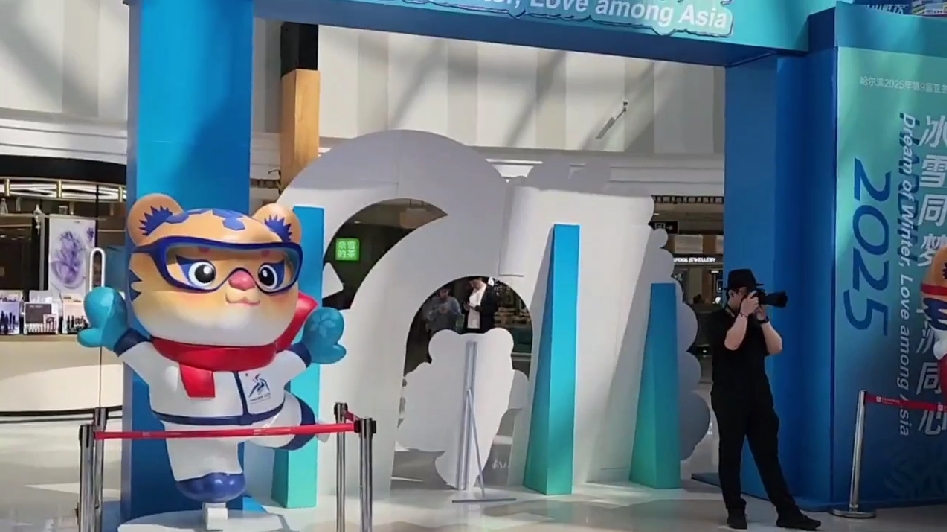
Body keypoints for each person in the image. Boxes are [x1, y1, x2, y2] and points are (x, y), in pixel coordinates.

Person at [705, 269, 821, 531]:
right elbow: (731, 344)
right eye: (746, 293)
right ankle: (735, 510)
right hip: (729, 398)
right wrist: (743, 316)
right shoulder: (716, 320)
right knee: (731, 455)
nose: (752, 297)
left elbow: (776, 347)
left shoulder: (756, 323)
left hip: (759, 397)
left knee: (768, 456)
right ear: (733, 293)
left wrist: (763, 320)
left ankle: (787, 512)